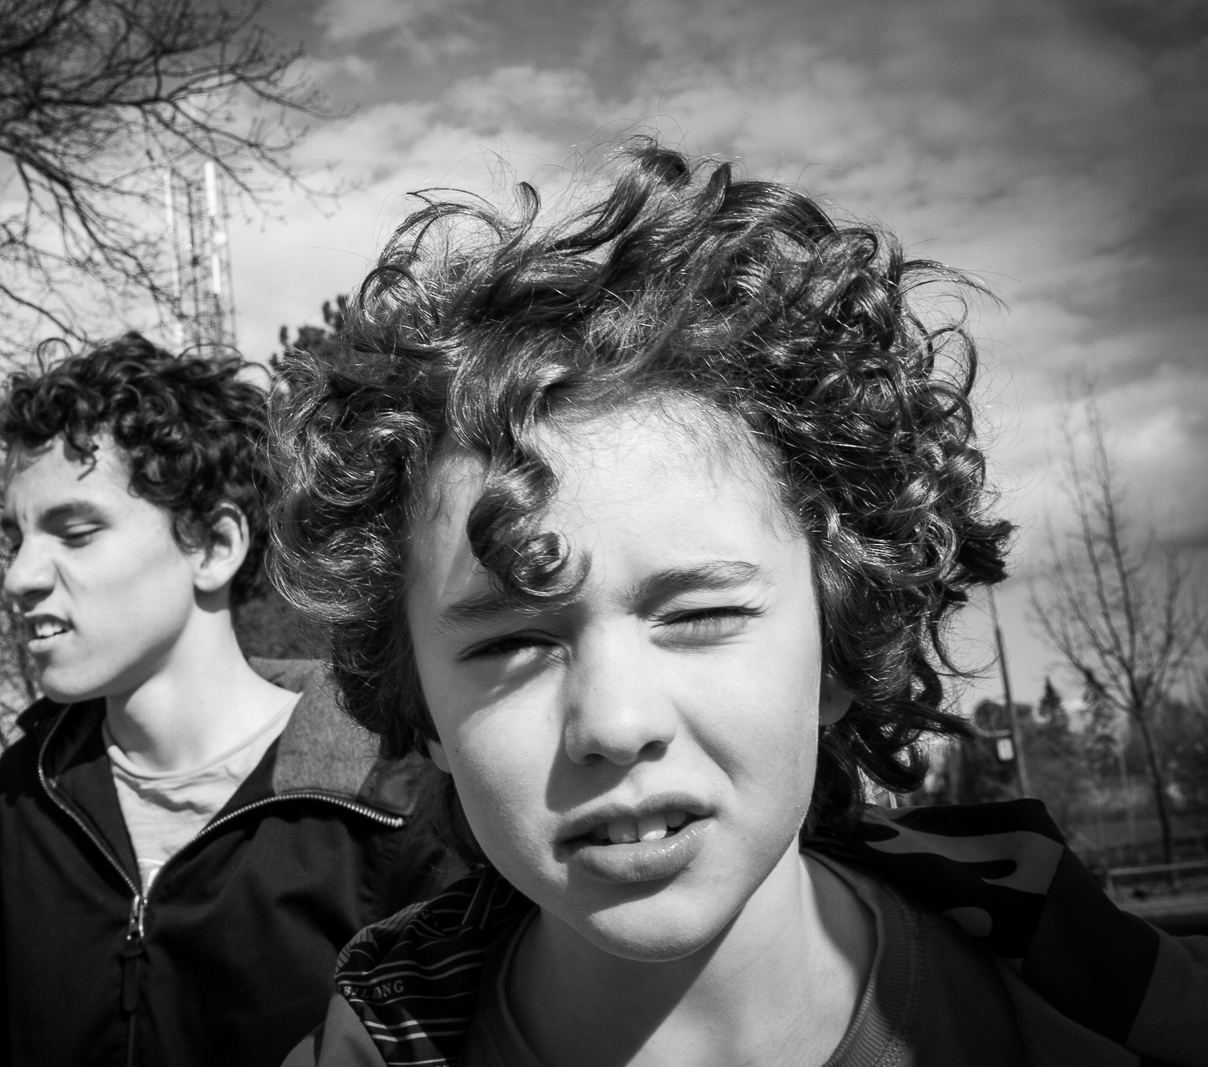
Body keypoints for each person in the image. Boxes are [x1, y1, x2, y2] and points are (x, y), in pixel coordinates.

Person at [269, 142, 1208, 1066]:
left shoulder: (1099, 1010)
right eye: (511, 642)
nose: (616, 723)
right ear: (423, 710)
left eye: (700, 616)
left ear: (840, 644)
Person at [0, 334, 448, 1067]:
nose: (19, 577)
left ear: (214, 546)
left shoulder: (387, 800)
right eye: (17, 539)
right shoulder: (27, 790)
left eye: (75, 532)